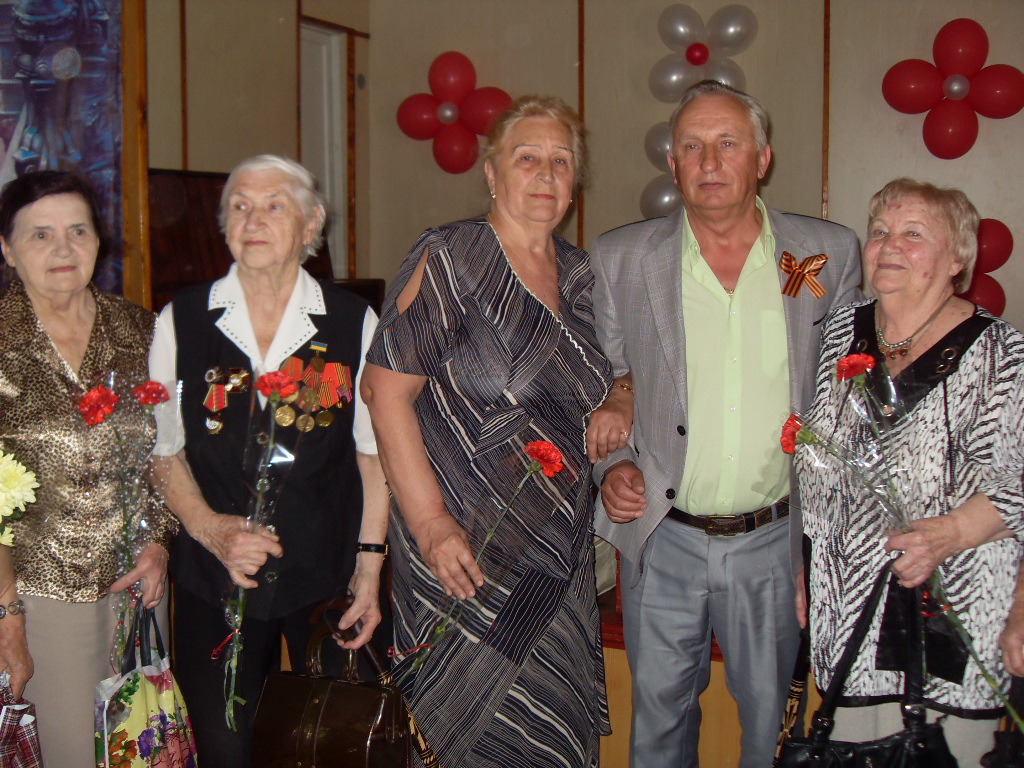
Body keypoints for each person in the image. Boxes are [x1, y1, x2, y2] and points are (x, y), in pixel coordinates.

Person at [591, 80, 862, 768]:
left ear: (762, 158)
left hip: (772, 542)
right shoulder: (621, 259)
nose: (709, 162)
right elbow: (600, 381)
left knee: (770, 726)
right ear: (672, 163)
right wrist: (611, 466)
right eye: (691, 147)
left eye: (727, 143)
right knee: (658, 727)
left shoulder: (824, 255)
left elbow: (847, 395)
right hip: (662, 537)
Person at [361, 95, 631, 768]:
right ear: (491, 172)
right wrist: (429, 524)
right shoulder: (451, 257)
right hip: (463, 551)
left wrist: (621, 397)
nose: (545, 173)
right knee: (465, 738)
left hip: (555, 560)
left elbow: (612, 374)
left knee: (550, 735)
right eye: (527, 157)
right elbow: (383, 392)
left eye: (561, 161)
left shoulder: (582, 276)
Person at [149, 154, 389, 766]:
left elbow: (373, 455)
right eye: (240, 206)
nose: (253, 220)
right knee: (224, 748)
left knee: (335, 744)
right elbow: (162, 451)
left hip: (329, 577)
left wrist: (368, 570)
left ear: (311, 224)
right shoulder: (182, 319)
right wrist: (211, 529)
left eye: (273, 206)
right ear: (224, 225)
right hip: (215, 578)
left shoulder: (352, 321)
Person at [797, 178, 1024, 766]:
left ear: (957, 259)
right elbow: (815, 460)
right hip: (846, 609)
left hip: (952, 609)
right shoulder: (840, 333)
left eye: (914, 234)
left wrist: (948, 534)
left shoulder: (1001, 354)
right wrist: (803, 564)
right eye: (880, 231)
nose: (889, 244)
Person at [0, 171, 178, 765]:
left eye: (78, 230)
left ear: (99, 241)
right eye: (40, 234)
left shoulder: (141, 329)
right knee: (71, 749)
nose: (63, 247)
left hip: (140, 586)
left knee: (142, 746)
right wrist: (6, 613)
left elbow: (167, 451)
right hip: (37, 594)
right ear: (7, 249)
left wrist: (159, 541)